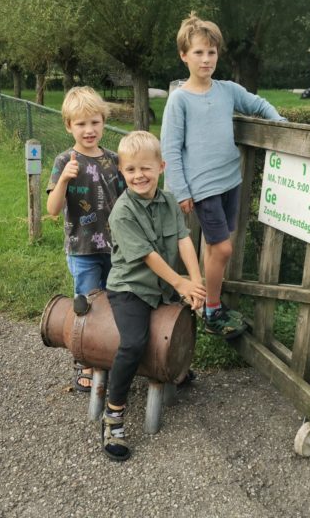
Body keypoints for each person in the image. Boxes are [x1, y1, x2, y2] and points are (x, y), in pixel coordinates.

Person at [160, 12, 286, 338]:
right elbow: (171, 149)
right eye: (198, 53)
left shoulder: (227, 90)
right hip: (202, 187)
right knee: (225, 248)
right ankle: (213, 310)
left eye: (211, 52)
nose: (206, 59)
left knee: (215, 248)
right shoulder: (179, 100)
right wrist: (181, 190)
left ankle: (203, 300)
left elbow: (258, 105)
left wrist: (283, 128)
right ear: (184, 56)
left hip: (231, 178)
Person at [103, 130, 205, 461]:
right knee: (132, 342)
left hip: (164, 285)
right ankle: (114, 413)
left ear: (161, 167)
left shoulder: (169, 202)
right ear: (121, 170)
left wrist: (196, 282)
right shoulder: (122, 212)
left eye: (146, 168)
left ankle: (175, 366)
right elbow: (149, 256)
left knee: (184, 321)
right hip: (130, 288)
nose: (139, 176)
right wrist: (180, 283)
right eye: (131, 169)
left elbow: (183, 240)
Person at [46, 86, 125, 392]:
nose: (89, 130)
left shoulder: (114, 160)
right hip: (83, 250)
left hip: (115, 249)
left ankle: (109, 351)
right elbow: (52, 211)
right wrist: (64, 179)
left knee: (115, 300)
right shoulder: (64, 159)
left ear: (103, 122)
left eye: (95, 122)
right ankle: (86, 361)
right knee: (87, 305)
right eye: (81, 124)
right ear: (69, 126)